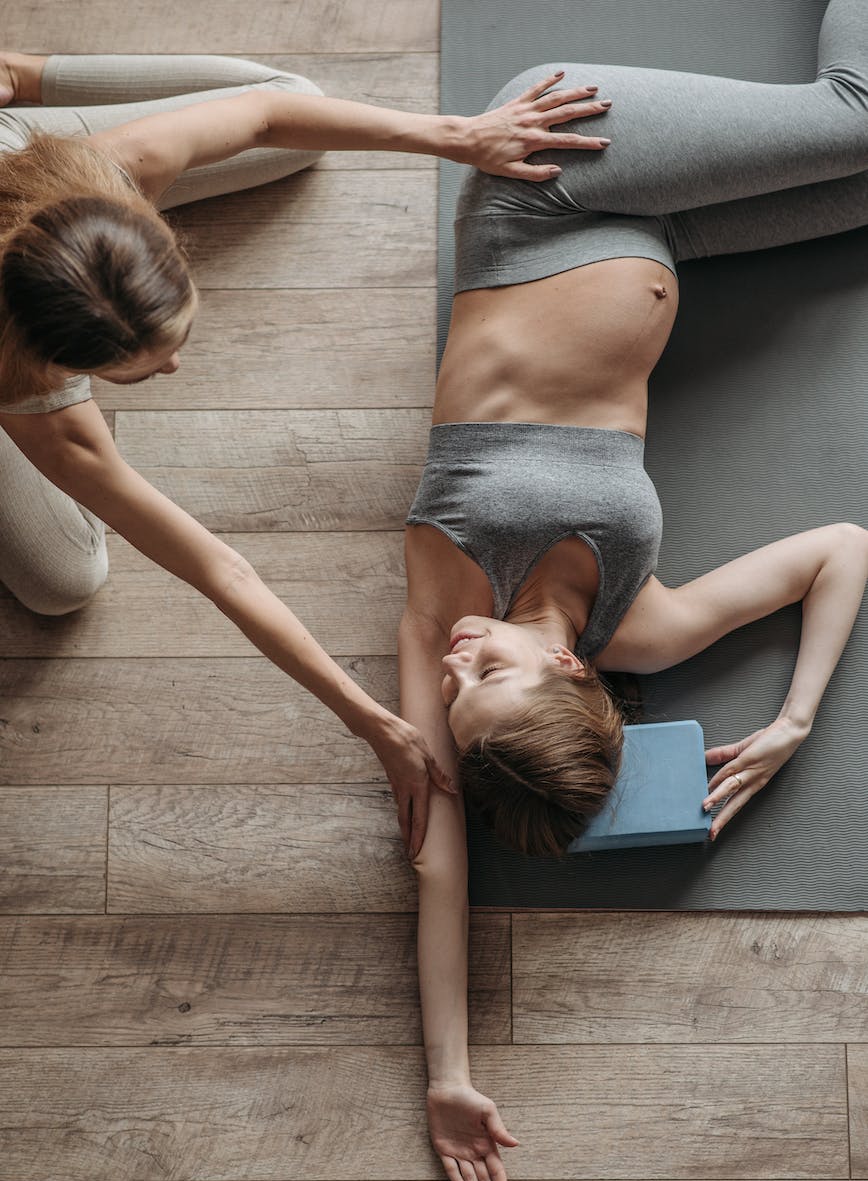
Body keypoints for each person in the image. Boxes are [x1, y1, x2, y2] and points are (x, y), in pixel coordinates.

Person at [399, 0, 868, 1181]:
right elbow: (839, 549)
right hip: (654, 231)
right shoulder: (639, 625)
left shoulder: (450, 581)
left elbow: (436, 862)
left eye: (453, 690)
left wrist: (446, 1073)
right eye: (483, 679)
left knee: (859, 119)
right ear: (571, 679)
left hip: (547, 183)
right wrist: (794, 720)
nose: (453, 664)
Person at [0, 52, 608, 855]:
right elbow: (220, 568)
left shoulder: (113, 168)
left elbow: (262, 117)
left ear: (146, 228)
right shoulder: (34, 401)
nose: (175, 368)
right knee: (65, 580)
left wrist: (458, 136)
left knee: (295, 105)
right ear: (56, 362)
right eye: (142, 372)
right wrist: (369, 722)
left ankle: (18, 71)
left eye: (172, 338)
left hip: (25, 167)